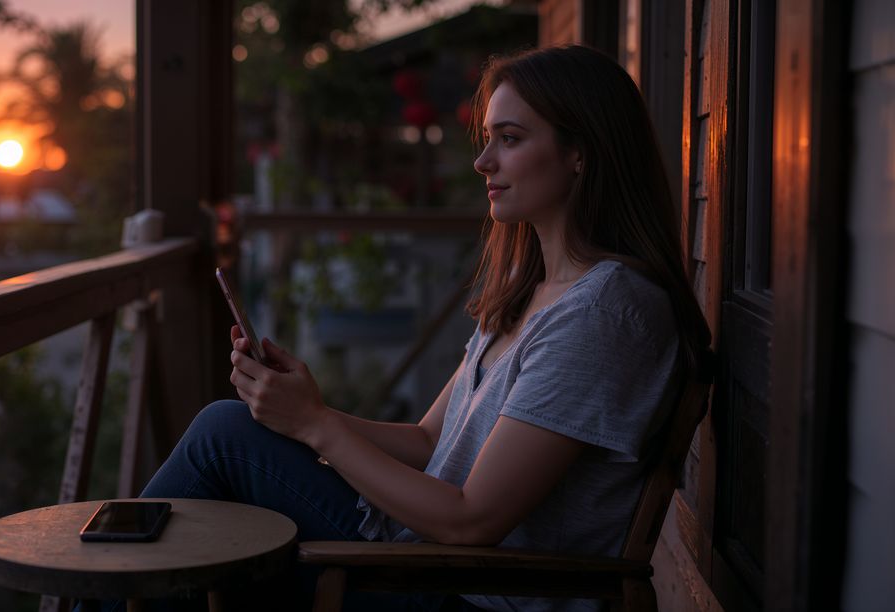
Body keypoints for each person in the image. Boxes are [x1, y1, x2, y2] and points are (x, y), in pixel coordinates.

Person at [138, 44, 712, 612]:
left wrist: (314, 426)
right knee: (230, 455)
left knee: (223, 440)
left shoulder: (604, 313)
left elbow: (472, 519)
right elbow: (428, 442)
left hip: (468, 590)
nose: (482, 161)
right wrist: (298, 409)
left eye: (509, 139)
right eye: (488, 138)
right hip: (421, 556)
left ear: (581, 153)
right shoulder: (532, 289)